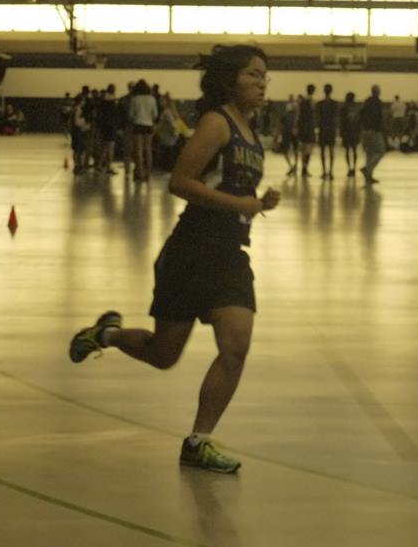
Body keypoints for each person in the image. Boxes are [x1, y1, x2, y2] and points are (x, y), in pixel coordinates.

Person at [68, 44, 281, 474]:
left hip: (230, 256)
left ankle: (198, 442)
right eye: (253, 75)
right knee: (164, 354)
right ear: (230, 80)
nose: (263, 83)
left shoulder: (252, 135)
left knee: (236, 344)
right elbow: (180, 183)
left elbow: (227, 189)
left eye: (265, 76)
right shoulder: (216, 123)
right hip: (191, 251)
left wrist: (257, 202)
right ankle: (106, 335)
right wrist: (240, 202)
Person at [129, 79, 158, 181]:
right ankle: (148, 173)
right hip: (149, 125)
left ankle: (140, 173)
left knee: (139, 150)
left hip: (137, 125)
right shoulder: (152, 99)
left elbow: (131, 115)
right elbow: (155, 114)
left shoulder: (135, 99)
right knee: (148, 149)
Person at [360, 84, 385, 185]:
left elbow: (361, 114)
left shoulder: (366, 101)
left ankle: (368, 176)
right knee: (380, 151)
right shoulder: (378, 103)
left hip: (365, 130)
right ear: (378, 92)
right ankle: (367, 169)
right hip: (374, 130)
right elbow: (378, 117)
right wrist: (380, 129)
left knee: (369, 154)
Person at [316, 83, 339, 180]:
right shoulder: (335, 103)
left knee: (322, 151)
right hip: (331, 128)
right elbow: (336, 117)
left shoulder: (320, 104)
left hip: (323, 128)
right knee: (331, 150)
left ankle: (324, 171)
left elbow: (317, 117)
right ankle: (331, 171)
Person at [297, 85, 317, 177]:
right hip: (308, 128)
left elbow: (299, 115)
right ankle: (305, 168)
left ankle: (303, 168)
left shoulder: (302, 102)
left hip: (302, 127)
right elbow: (312, 115)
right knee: (308, 150)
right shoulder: (311, 102)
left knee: (303, 150)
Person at [339, 92, 360, 177]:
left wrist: (341, 132)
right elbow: (358, 121)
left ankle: (349, 168)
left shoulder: (343, 108)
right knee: (354, 151)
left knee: (347, 151)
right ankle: (354, 168)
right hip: (354, 132)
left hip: (347, 132)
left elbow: (342, 122)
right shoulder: (356, 108)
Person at [280, 94, 299, 176]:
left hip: (289, 132)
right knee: (289, 150)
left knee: (294, 150)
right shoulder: (287, 115)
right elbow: (281, 124)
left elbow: (281, 124)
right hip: (287, 132)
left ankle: (294, 166)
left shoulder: (294, 116)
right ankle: (293, 166)